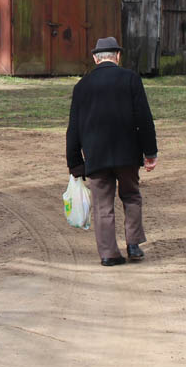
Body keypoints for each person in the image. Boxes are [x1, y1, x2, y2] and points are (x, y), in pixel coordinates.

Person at [66, 37, 159, 266]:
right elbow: (144, 119)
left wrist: (75, 163)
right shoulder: (131, 79)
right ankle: (134, 244)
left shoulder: (81, 87)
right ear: (118, 56)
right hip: (127, 154)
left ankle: (108, 254)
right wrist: (150, 152)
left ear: (95, 58)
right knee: (131, 196)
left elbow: (74, 128)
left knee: (102, 205)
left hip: (96, 157)